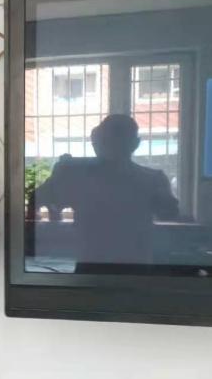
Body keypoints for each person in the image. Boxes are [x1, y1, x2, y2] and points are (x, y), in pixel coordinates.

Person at [33, 114, 179, 269]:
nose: (110, 146)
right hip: (130, 268)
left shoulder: (78, 178)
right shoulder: (152, 179)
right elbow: (169, 213)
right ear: (136, 144)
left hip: (99, 267)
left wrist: (60, 177)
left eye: (114, 141)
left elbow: (39, 200)